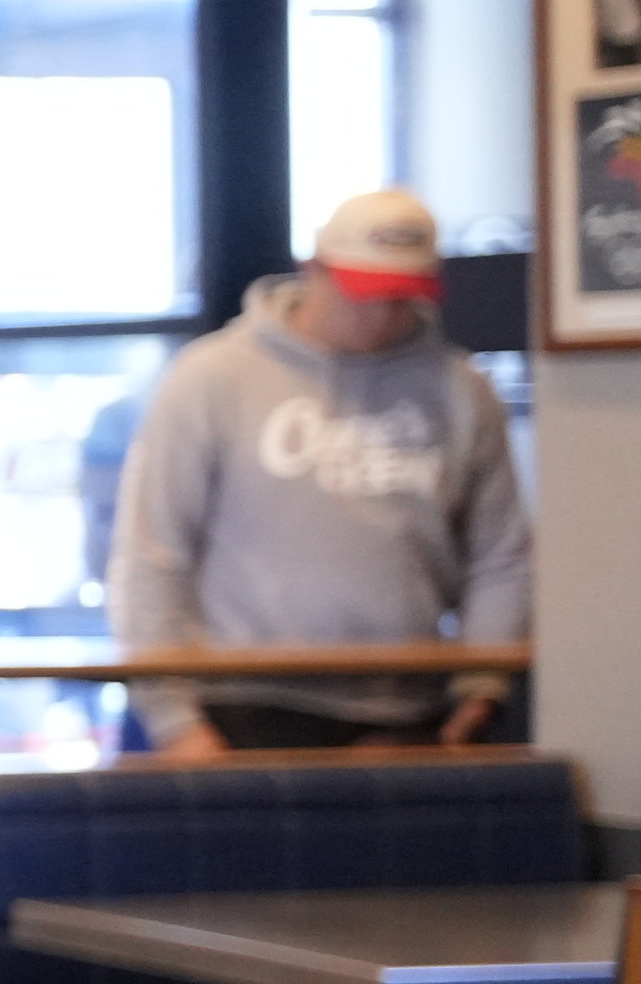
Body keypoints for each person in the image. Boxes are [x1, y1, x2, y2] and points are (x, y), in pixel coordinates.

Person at [109, 184, 530, 753]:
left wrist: (480, 693)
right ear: (315, 270)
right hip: (244, 701)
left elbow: (500, 556)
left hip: (408, 704)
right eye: (365, 293)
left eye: (402, 296)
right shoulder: (211, 378)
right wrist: (174, 721)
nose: (382, 313)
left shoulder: (461, 390)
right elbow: (152, 553)